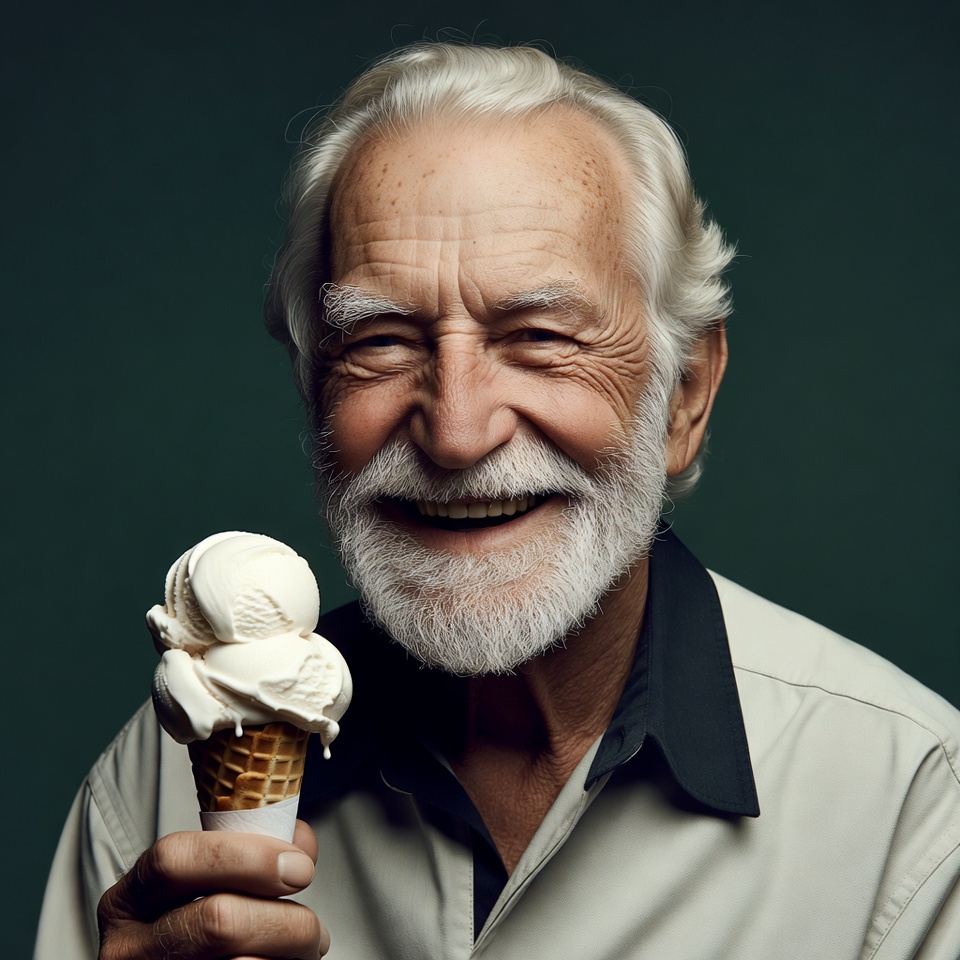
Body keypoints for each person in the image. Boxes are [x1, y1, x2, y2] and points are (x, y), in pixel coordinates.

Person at [36, 42, 960, 960]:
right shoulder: (157, 785)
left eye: (540, 335)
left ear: (684, 395)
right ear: (314, 388)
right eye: (383, 342)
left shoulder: (914, 809)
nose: (456, 433)